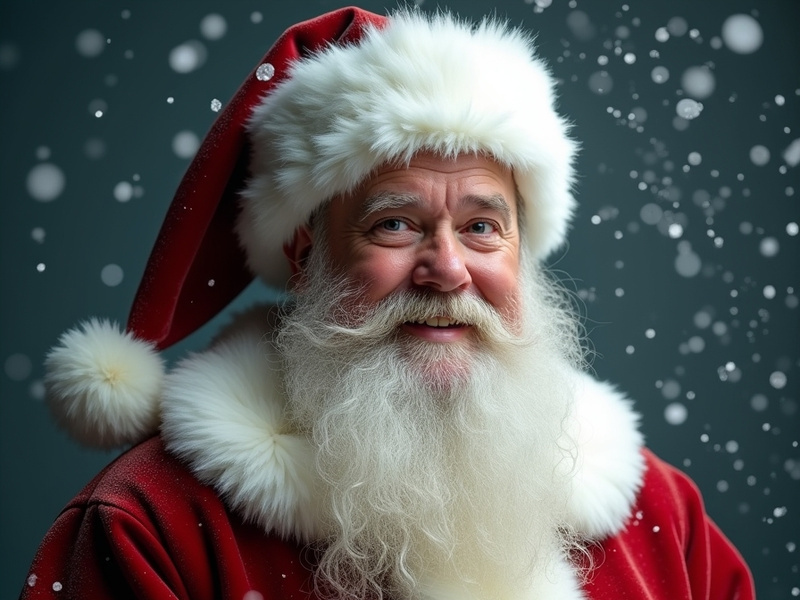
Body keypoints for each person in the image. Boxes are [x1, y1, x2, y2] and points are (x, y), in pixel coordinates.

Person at [20, 6, 754, 600]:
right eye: (395, 224)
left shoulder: (661, 515)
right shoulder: (150, 526)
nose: (447, 270)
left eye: (481, 228)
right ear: (306, 258)